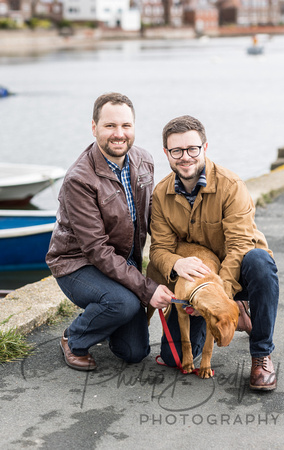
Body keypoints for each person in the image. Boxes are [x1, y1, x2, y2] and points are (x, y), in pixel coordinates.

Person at [147, 115, 279, 391]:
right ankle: (236, 313)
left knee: (260, 261)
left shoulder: (231, 185)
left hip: (234, 273)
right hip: (196, 281)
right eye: (177, 151)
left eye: (192, 148)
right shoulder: (160, 195)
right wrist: (176, 263)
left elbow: (240, 245)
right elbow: (159, 249)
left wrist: (220, 296)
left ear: (205, 148)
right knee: (173, 358)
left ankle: (261, 354)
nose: (185, 157)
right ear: (166, 153)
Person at [46, 92, 173, 371]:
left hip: (121, 263)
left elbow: (155, 219)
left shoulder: (143, 160)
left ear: (134, 127)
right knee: (123, 303)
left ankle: (106, 316)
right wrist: (146, 288)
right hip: (78, 263)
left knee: (133, 352)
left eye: (126, 126)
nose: (119, 134)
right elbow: (97, 250)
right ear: (94, 128)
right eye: (110, 126)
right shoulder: (79, 179)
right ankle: (74, 338)